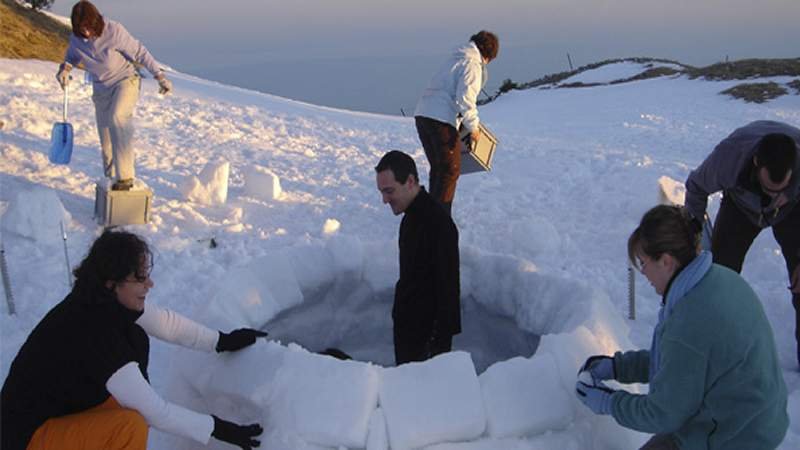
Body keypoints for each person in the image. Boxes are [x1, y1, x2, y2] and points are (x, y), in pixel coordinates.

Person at [1, 230, 266, 450]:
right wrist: (220, 429)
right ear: (111, 283)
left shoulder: (101, 301)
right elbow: (157, 412)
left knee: (132, 402)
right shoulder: (95, 334)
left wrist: (221, 341)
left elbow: (167, 324)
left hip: (59, 412)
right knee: (130, 427)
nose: (149, 284)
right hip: (25, 439)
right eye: (139, 278)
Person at [575, 205, 788, 450]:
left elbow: (662, 414)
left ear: (666, 261)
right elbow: (681, 363)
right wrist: (618, 366)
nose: (642, 273)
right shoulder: (718, 278)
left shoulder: (691, 318)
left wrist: (607, 401)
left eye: (643, 263)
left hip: (734, 437)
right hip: (756, 419)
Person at [683, 120, 800, 365]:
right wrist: (693, 229)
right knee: (720, 276)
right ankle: (716, 348)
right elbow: (696, 187)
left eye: (781, 189)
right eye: (769, 188)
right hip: (741, 208)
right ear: (756, 163)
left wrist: (787, 197)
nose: (773, 196)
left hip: (793, 211)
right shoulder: (730, 157)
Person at [55, 1, 173, 191]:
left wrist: (160, 76)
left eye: (87, 26)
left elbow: (140, 52)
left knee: (118, 118)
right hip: (101, 89)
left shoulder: (113, 31)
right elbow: (72, 56)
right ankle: (111, 179)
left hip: (125, 81)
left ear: (95, 21)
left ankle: (125, 178)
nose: (85, 32)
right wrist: (65, 69)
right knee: (106, 139)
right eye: (80, 28)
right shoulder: (77, 39)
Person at [375, 150, 461, 364]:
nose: (384, 200)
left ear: (410, 181)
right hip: (410, 330)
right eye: (382, 192)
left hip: (425, 340)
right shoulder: (411, 217)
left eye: (389, 191)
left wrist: (439, 343)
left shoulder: (438, 223)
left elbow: (448, 286)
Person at [413, 30, 499, 216]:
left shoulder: (457, 58)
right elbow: (465, 99)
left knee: (439, 169)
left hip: (423, 115)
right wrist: (473, 128)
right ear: (488, 55)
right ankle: (440, 220)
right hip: (440, 119)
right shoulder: (472, 64)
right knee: (449, 171)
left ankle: (431, 215)